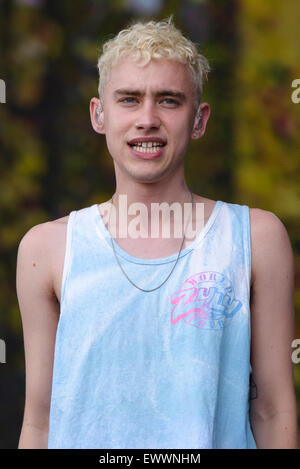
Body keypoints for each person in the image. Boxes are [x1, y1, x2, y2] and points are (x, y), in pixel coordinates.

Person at [17, 17, 298, 449]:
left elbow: (273, 409)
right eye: (129, 99)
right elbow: (40, 421)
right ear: (100, 114)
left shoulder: (255, 239)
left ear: (199, 120)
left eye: (169, 101)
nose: (147, 119)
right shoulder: (47, 249)